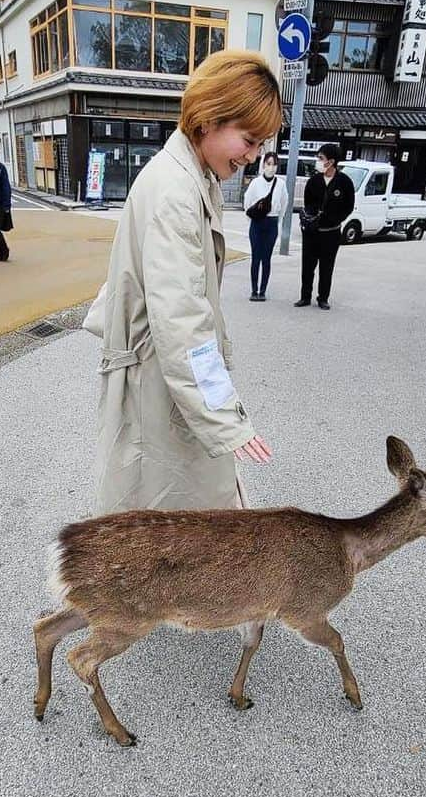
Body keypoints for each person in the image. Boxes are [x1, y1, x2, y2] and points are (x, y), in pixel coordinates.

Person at [83, 49, 282, 514]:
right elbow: (184, 324)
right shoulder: (177, 191)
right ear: (210, 119)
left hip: (160, 377)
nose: (252, 157)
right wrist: (227, 420)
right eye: (249, 140)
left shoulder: (187, 178)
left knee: (162, 524)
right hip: (158, 385)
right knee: (172, 531)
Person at [296, 144, 355, 310]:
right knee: (307, 266)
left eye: (321, 159)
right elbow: (308, 203)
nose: (318, 162)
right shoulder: (314, 181)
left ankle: (323, 298)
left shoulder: (344, 182)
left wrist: (333, 219)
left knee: (326, 267)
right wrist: (311, 218)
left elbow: (348, 206)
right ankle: (305, 296)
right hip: (312, 232)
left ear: (331, 161)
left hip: (331, 233)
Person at [244, 151, 288, 301]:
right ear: (263, 165)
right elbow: (247, 202)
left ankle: (263, 291)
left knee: (266, 258)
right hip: (257, 224)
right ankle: (253, 290)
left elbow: (284, 204)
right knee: (256, 257)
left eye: (274, 164)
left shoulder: (280, 184)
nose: (271, 167)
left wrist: (278, 221)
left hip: (271, 223)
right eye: (268, 164)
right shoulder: (255, 183)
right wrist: (253, 217)